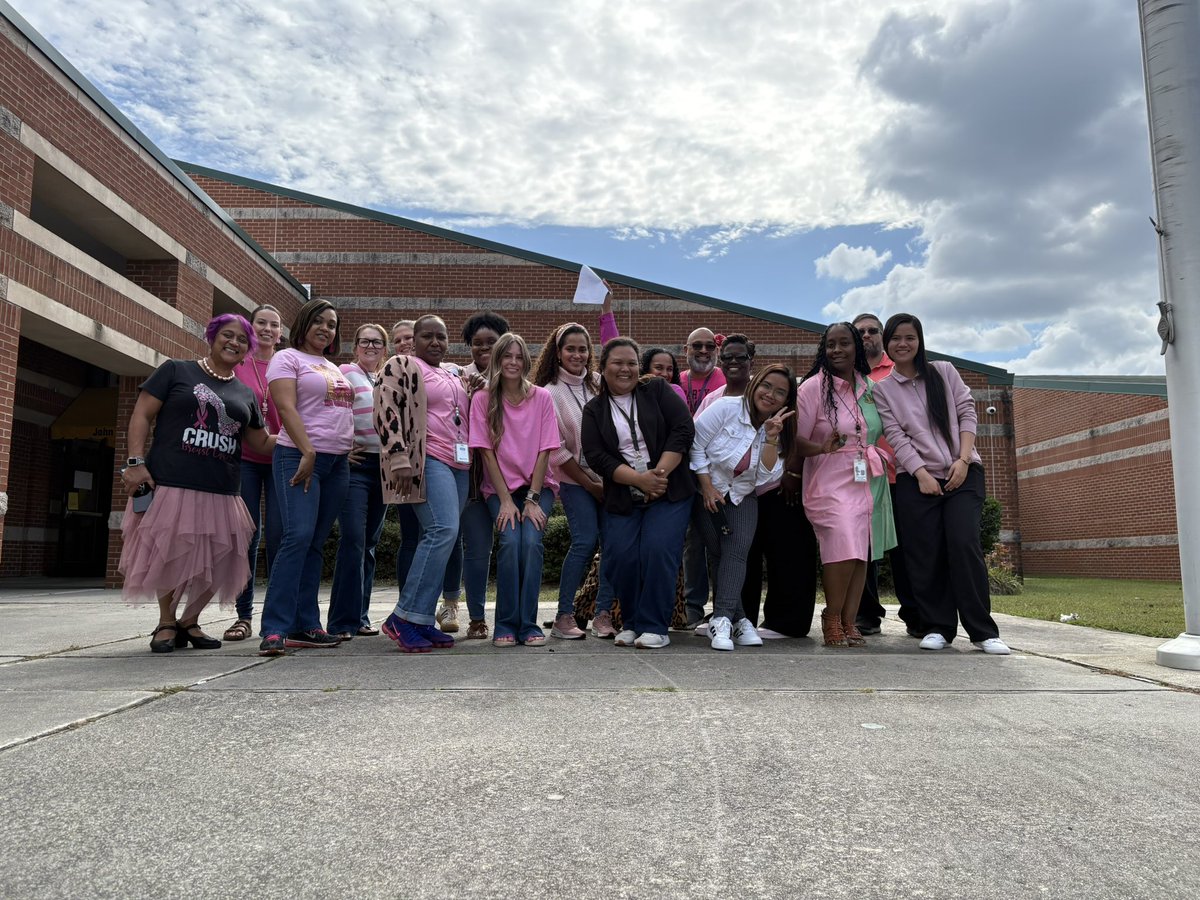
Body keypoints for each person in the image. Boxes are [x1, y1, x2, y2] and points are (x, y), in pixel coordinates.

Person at [120, 314, 273, 653]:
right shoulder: (176, 370)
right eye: (227, 335)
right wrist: (135, 462)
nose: (234, 343)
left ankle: (190, 621)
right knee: (170, 555)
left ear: (248, 349)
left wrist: (304, 438)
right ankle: (166, 621)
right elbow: (142, 414)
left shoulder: (244, 393)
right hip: (173, 482)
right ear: (212, 336)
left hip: (221, 488)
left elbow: (260, 443)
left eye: (242, 340)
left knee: (219, 559)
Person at [873, 313, 1011, 655]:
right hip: (916, 479)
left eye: (910, 337)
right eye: (896, 338)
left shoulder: (944, 371)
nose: (902, 344)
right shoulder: (884, 389)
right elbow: (895, 435)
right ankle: (938, 626)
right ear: (887, 344)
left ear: (919, 340)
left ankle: (982, 631)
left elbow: (967, 412)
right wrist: (920, 473)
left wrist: (963, 460)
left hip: (962, 473)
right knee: (925, 552)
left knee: (963, 544)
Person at [582, 338, 695, 649]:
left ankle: (655, 626)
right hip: (624, 497)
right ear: (602, 369)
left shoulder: (656, 391)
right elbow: (596, 456)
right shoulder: (593, 410)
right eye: (617, 362)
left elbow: (683, 429)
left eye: (631, 362)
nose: (625, 368)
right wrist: (638, 480)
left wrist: (657, 475)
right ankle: (631, 621)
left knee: (658, 549)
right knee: (620, 556)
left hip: (669, 490)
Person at [258, 299, 354, 656]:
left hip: (337, 463)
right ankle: (274, 629)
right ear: (304, 323)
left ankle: (306, 624)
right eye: (319, 321)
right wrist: (309, 451)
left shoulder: (333, 366)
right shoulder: (287, 358)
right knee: (296, 537)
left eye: (331, 324)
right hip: (299, 457)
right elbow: (285, 407)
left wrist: (347, 445)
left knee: (314, 542)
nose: (325, 329)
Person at [796, 322, 896, 648]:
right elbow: (794, 440)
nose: (836, 350)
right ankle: (831, 616)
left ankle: (849, 620)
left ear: (856, 347)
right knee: (841, 542)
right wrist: (823, 446)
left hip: (866, 479)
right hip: (827, 479)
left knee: (860, 552)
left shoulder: (869, 387)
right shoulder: (813, 388)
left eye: (844, 344)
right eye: (830, 345)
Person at [376, 314, 470, 653]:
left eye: (441, 337)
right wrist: (398, 455)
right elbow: (386, 409)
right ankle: (402, 618)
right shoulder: (400, 365)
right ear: (413, 340)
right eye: (427, 336)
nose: (435, 342)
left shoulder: (454, 372)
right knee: (441, 530)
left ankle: (420, 620)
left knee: (446, 535)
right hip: (426, 459)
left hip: (460, 463)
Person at [691, 365, 795, 651]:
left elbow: (764, 477)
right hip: (707, 490)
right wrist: (706, 487)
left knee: (736, 553)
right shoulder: (726, 408)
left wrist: (772, 437)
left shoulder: (780, 430)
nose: (770, 394)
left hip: (742, 496)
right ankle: (740, 619)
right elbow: (696, 445)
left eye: (780, 392)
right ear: (755, 383)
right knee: (717, 553)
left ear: (786, 400)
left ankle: (722, 619)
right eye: (766, 386)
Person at [532, 293, 618, 639]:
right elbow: (557, 452)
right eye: (570, 349)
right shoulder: (549, 393)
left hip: (610, 478)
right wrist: (589, 484)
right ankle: (564, 615)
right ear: (558, 352)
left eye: (583, 349)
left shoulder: (599, 384)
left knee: (612, 544)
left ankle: (602, 616)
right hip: (574, 480)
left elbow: (618, 352)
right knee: (585, 542)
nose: (577, 355)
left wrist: (607, 314)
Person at [470, 334, 561, 646]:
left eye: (518, 356)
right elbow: (485, 453)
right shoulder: (484, 399)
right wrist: (507, 501)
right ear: (497, 360)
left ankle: (529, 625)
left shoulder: (542, 398)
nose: (512, 362)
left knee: (531, 541)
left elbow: (545, 449)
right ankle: (506, 624)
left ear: (526, 361)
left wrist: (533, 499)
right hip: (499, 489)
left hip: (538, 486)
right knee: (510, 541)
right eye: (506, 356)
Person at [436, 311, 511, 639]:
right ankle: (464, 610)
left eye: (491, 343)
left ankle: (496, 617)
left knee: (498, 545)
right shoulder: (455, 375)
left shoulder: (514, 378)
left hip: (501, 477)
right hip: (464, 474)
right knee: (464, 544)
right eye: (476, 343)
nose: (483, 349)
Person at [851, 312, 918, 637]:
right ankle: (867, 615)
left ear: (883, 335)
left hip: (903, 474)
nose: (866, 336)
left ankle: (916, 614)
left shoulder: (899, 370)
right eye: (859, 331)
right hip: (862, 478)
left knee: (906, 550)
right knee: (865, 549)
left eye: (872, 330)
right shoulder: (848, 377)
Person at [326, 323, 389, 639]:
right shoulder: (345, 372)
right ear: (356, 345)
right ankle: (340, 621)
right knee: (353, 539)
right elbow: (332, 411)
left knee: (369, 545)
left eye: (378, 342)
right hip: (357, 467)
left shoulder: (385, 378)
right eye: (365, 341)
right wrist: (342, 448)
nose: (371, 346)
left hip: (384, 469)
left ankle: (360, 617)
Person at [226, 304, 283, 642]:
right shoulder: (238, 363)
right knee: (247, 535)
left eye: (274, 325)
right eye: (261, 322)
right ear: (251, 325)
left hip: (280, 459)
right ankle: (243, 616)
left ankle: (276, 616)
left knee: (280, 537)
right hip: (243, 459)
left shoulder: (287, 363)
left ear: (281, 332)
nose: (267, 329)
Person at [695, 333, 755, 415]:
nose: (733, 361)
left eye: (741, 357)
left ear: (751, 363)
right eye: (727, 357)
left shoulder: (762, 397)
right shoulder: (710, 400)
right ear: (721, 363)